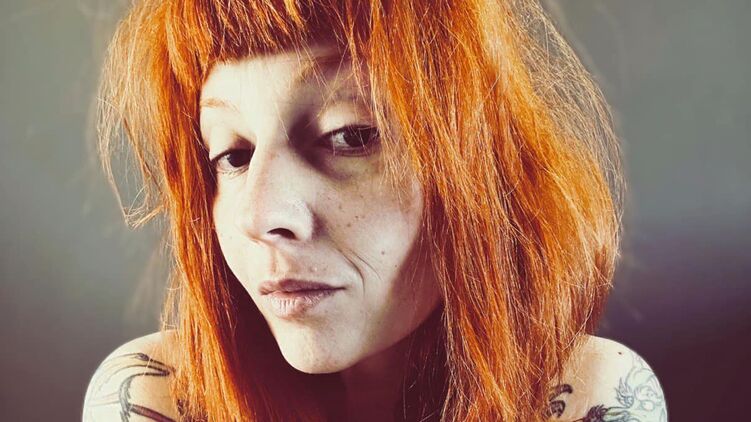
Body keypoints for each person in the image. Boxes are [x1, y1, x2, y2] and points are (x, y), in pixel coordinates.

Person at [82, 0, 667, 421]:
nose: (258, 217)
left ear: (480, 168)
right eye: (233, 155)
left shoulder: (585, 397)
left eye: (351, 136)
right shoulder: (156, 397)